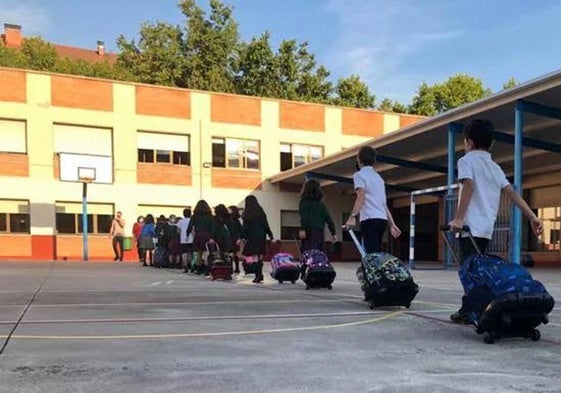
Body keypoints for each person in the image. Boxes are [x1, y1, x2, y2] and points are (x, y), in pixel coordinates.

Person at [448, 118, 544, 324]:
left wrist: (458, 218)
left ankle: (476, 310)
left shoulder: (466, 161)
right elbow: (512, 193)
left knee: (468, 271)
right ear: (491, 144)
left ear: (468, 142)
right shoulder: (494, 167)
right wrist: (533, 216)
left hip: (469, 227)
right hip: (486, 228)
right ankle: (470, 307)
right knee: (477, 270)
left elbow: (469, 187)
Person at [345, 146, 401, 253]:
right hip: (382, 220)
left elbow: (361, 196)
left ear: (359, 159)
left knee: (370, 256)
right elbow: (383, 204)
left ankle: (372, 269)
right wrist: (392, 224)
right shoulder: (378, 178)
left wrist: (352, 216)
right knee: (376, 253)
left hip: (369, 219)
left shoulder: (359, 175)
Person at [240, 195, 275, 284]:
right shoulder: (260, 212)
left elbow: (245, 227)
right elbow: (265, 225)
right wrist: (271, 236)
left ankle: (257, 274)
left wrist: (241, 237)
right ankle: (259, 273)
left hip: (252, 237)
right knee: (259, 256)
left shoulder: (247, 214)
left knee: (252, 256)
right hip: (261, 236)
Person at [298, 179, 337, 253]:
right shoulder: (320, 204)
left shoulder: (303, 201)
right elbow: (328, 218)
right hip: (319, 231)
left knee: (307, 251)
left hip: (308, 230)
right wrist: (333, 232)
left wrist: (302, 229)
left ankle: (307, 264)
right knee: (318, 251)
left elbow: (304, 216)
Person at [186, 200, 215, 274]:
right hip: (207, 235)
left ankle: (198, 269)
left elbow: (190, 226)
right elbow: (212, 227)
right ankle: (206, 268)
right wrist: (212, 237)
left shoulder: (195, 216)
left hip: (198, 235)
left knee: (198, 252)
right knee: (206, 252)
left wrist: (187, 234)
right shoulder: (209, 216)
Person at [177, 208, 194, 273]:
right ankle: (192, 266)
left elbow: (178, 231)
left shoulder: (181, 221)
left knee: (184, 253)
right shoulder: (192, 221)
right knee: (191, 253)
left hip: (183, 239)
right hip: (191, 239)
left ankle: (185, 266)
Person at [229, 205, 243, 273]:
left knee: (232, 253)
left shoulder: (232, 220)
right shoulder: (236, 220)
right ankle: (236, 267)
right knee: (235, 253)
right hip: (235, 238)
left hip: (232, 238)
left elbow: (240, 230)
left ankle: (233, 267)